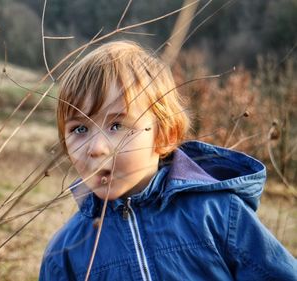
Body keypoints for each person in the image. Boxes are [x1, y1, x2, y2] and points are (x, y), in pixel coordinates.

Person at [39, 40, 297, 280]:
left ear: (165, 135)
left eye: (117, 125)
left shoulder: (217, 213)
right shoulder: (65, 253)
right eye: (79, 129)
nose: (95, 148)